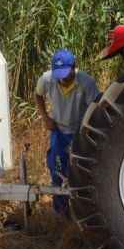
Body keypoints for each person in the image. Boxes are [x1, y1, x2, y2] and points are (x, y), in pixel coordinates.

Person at [35, 48, 99, 215]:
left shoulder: (86, 82)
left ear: (74, 67)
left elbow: (96, 108)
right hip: (59, 132)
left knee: (82, 172)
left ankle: (84, 210)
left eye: (66, 73)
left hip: (80, 134)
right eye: (59, 74)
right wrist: (45, 118)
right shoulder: (47, 79)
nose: (62, 78)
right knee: (57, 170)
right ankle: (61, 211)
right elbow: (38, 95)